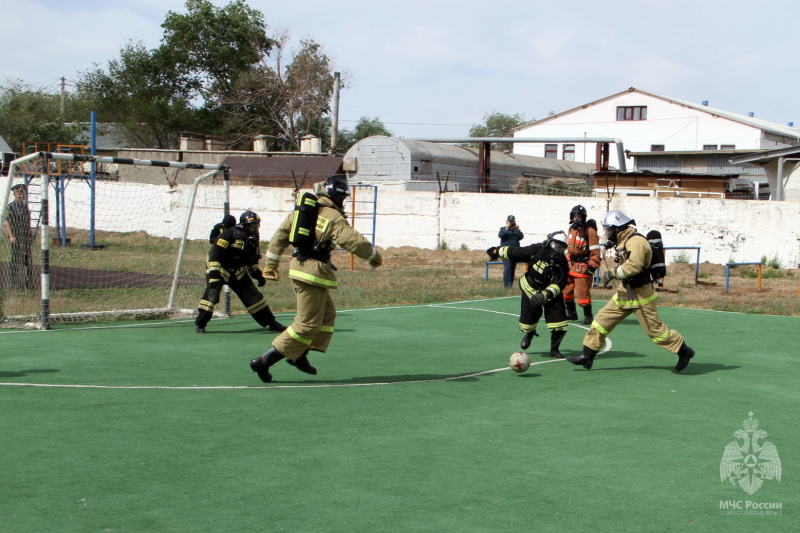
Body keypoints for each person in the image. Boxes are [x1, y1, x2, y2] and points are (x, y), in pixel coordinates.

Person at [249, 176, 383, 382]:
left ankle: (300, 353)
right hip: (312, 274)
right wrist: (374, 256)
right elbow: (352, 241)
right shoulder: (332, 216)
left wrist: (271, 265)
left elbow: (279, 237)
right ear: (338, 197)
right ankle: (264, 361)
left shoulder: (302, 212)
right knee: (306, 324)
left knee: (327, 315)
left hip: (303, 270)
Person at [566, 210, 695, 372]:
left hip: (641, 295)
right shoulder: (624, 240)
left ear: (617, 227)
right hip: (625, 293)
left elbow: (634, 266)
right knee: (601, 321)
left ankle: (684, 351)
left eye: (609, 230)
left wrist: (612, 273)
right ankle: (587, 356)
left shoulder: (635, 242)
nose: (608, 233)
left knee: (656, 332)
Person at [195, 211, 286, 334]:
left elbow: (252, 259)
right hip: (221, 269)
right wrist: (214, 273)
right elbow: (215, 253)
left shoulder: (253, 239)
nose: (254, 228)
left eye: (256, 225)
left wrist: (258, 275)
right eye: (251, 226)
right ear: (244, 225)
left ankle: (271, 322)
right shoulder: (230, 233)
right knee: (212, 295)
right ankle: (200, 324)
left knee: (253, 296)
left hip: (238, 271)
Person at [487, 230, 570, 358]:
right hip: (530, 288)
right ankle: (530, 333)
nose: (557, 250)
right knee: (527, 322)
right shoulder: (537, 250)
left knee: (560, 323)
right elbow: (516, 252)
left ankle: (554, 350)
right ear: (548, 242)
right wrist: (496, 251)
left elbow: (560, 283)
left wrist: (545, 294)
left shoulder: (562, 263)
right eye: (555, 245)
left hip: (550, 294)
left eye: (561, 247)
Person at [563, 205, 601, 324]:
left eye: (579, 216)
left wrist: (592, 266)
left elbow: (595, 251)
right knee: (566, 290)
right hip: (570, 265)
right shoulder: (571, 229)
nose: (576, 219)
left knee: (583, 292)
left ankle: (588, 316)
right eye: (575, 216)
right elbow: (568, 248)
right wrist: (566, 259)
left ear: (583, 218)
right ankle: (571, 313)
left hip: (583, 266)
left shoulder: (589, 231)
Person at [3, 184, 33, 291]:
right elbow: (6, 222)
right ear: (14, 194)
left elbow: (28, 222)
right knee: (15, 260)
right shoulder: (10, 207)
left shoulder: (25, 207)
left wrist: (30, 235)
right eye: (18, 193)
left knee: (27, 260)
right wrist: (11, 236)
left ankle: (28, 282)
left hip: (25, 237)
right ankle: (15, 282)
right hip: (16, 236)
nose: (20, 196)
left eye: (22, 193)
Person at [498, 215, 524, 288]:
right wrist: (507, 228)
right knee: (508, 267)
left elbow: (521, 237)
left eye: (512, 221)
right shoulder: (503, 229)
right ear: (507, 222)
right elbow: (500, 235)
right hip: (505, 251)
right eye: (510, 221)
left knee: (512, 267)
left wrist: (518, 230)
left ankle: (510, 284)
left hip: (514, 251)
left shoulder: (515, 230)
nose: (511, 222)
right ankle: (507, 285)